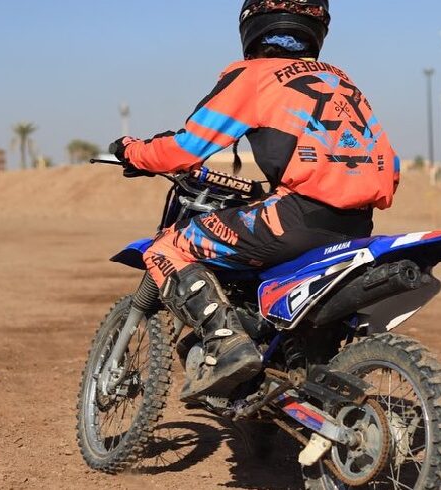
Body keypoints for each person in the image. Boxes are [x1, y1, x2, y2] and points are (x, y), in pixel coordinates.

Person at [110, 0, 400, 401]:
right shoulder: (343, 83)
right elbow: (390, 165)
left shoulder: (251, 77)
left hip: (295, 220)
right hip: (357, 225)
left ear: (252, 26)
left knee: (168, 246)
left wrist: (132, 151)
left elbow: (186, 149)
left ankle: (227, 344)